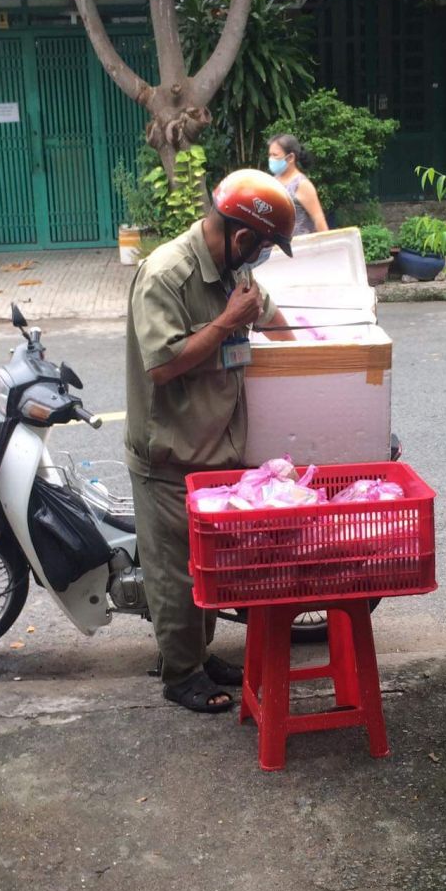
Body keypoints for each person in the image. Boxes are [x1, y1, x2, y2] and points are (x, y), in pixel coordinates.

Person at [124, 169, 297, 714]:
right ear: (243, 236)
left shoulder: (232, 269)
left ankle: (197, 656)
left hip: (213, 446)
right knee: (176, 572)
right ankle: (180, 674)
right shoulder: (166, 275)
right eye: (263, 246)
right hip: (170, 450)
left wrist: (312, 354)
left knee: (204, 566)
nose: (261, 258)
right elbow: (162, 364)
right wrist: (226, 323)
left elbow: (272, 319)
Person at [267, 133, 329, 235]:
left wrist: (327, 242)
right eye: (270, 155)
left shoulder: (302, 185)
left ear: (291, 157)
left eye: (275, 155)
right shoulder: (272, 182)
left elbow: (318, 219)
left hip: (301, 243)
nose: (271, 159)